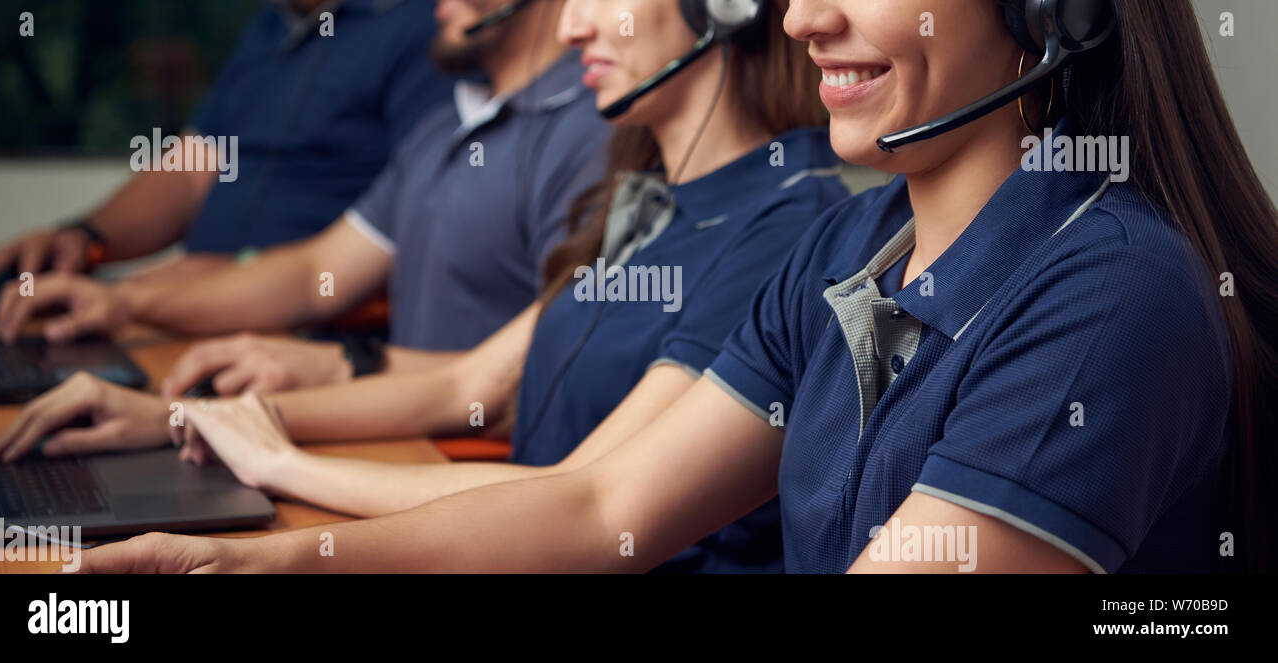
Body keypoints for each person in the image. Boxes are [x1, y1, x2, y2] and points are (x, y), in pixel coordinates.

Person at [71, 0, 1278, 574]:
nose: (807, 17)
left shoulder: (1108, 297)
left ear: (1048, 14)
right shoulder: (845, 251)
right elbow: (597, 506)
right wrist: (255, 562)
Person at [0, 0, 845, 573]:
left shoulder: (785, 219)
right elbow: (471, 384)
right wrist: (178, 415)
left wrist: (286, 466)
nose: (575, 24)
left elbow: (586, 497)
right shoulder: (642, 198)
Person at [0, 0, 611, 396]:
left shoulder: (591, 133)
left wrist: (345, 365)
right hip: (387, 414)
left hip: (456, 453)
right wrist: (119, 298)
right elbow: (317, 268)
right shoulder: (445, 125)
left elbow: (544, 375)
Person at [0, 0, 452, 293]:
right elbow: (193, 167)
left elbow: (416, 224)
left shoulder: (428, 27)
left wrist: (240, 275)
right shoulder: (270, 28)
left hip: (305, 334)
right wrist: (84, 237)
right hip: (199, 314)